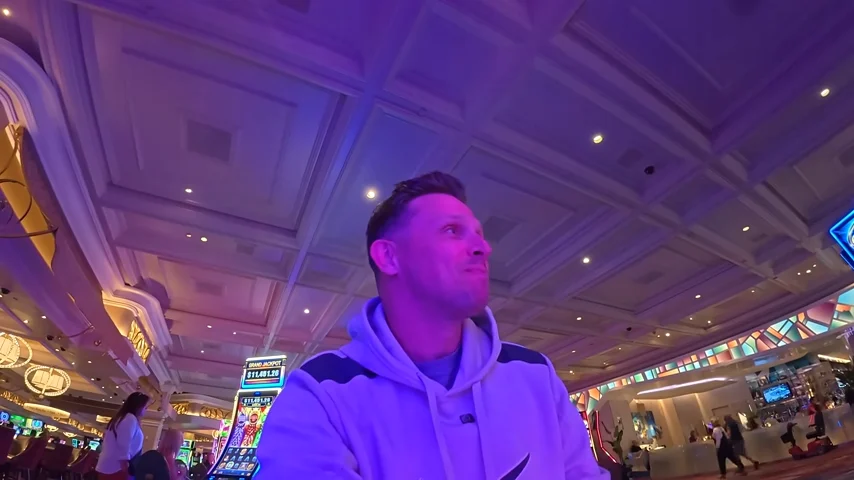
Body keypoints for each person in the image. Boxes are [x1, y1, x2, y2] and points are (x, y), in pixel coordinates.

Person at [257, 172, 607, 479]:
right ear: (389, 257)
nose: (483, 247)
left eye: (479, 234)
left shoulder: (535, 375)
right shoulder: (320, 393)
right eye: (452, 230)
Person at [96, 392, 150, 480]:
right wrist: (125, 463)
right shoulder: (129, 418)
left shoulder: (123, 417)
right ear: (138, 406)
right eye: (145, 407)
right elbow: (124, 441)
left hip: (113, 466)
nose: (146, 410)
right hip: (117, 467)